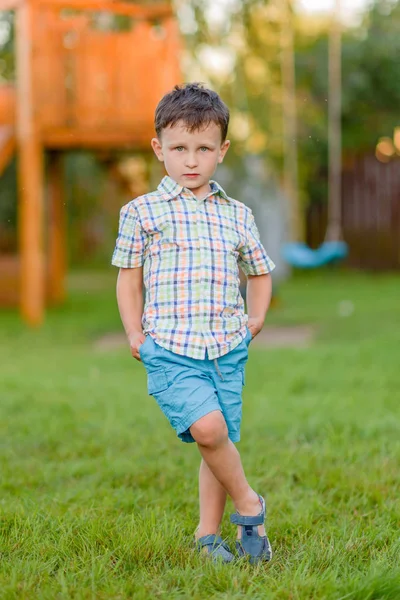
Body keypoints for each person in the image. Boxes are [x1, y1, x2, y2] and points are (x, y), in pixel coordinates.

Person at [112, 83, 275, 564]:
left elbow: (259, 271)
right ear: (159, 148)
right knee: (208, 429)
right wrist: (133, 331)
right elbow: (128, 279)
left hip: (226, 345)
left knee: (218, 437)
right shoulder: (142, 212)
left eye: (203, 149)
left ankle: (208, 537)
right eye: (179, 148)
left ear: (221, 151)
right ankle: (250, 505)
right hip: (170, 345)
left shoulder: (237, 215)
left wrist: (256, 317)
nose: (191, 160)